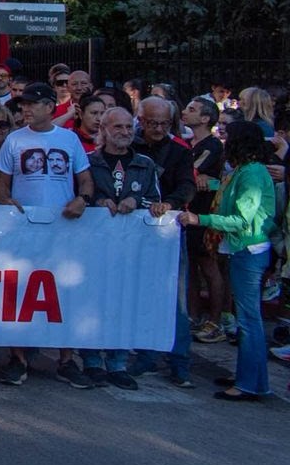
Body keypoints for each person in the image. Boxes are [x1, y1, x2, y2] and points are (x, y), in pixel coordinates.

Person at [0, 81, 94, 389]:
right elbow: (2, 184)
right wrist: (7, 203)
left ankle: (65, 359)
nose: (25, 108)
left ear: (50, 107)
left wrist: (82, 200)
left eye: (32, 104)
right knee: (20, 291)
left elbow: (85, 181)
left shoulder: (70, 140)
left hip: (62, 230)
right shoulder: (13, 140)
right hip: (25, 230)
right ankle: (18, 357)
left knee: (63, 293)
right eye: (23, 104)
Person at [179, 121, 278, 402]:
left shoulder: (252, 173)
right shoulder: (246, 171)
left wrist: (200, 219)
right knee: (249, 318)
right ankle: (251, 379)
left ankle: (249, 384)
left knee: (248, 320)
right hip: (244, 250)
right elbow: (225, 188)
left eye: (227, 138)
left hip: (248, 250)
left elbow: (241, 219)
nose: (223, 143)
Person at [82, 108, 168, 390]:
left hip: (131, 250)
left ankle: (118, 363)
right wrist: (97, 203)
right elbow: (78, 196)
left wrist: (136, 202)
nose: (124, 132)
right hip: (96, 247)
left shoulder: (145, 164)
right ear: (104, 129)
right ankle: (92, 361)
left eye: (129, 127)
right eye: (117, 127)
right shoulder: (89, 162)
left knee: (124, 302)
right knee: (94, 301)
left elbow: (155, 201)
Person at [182, 98, 228, 344]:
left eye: (192, 110)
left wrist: (200, 177)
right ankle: (192, 314)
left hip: (204, 212)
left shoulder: (212, 145)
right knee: (190, 265)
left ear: (205, 118)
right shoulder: (187, 143)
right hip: (188, 212)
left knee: (208, 266)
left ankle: (215, 319)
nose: (185, 113)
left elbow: (193, 171)